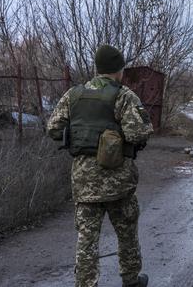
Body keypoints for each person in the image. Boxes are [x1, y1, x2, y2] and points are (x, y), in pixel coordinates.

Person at [47, 45, 154, 287]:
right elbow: (137, 133)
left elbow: (53, 128)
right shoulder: (124, 95)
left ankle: (86, 283)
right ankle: (131, 279)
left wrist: (80, 135)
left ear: (97, 68)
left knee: (87, 239)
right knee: (126, 233)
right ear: (119, 70)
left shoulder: (74, 94)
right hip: (118, 181)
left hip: (84, 181)